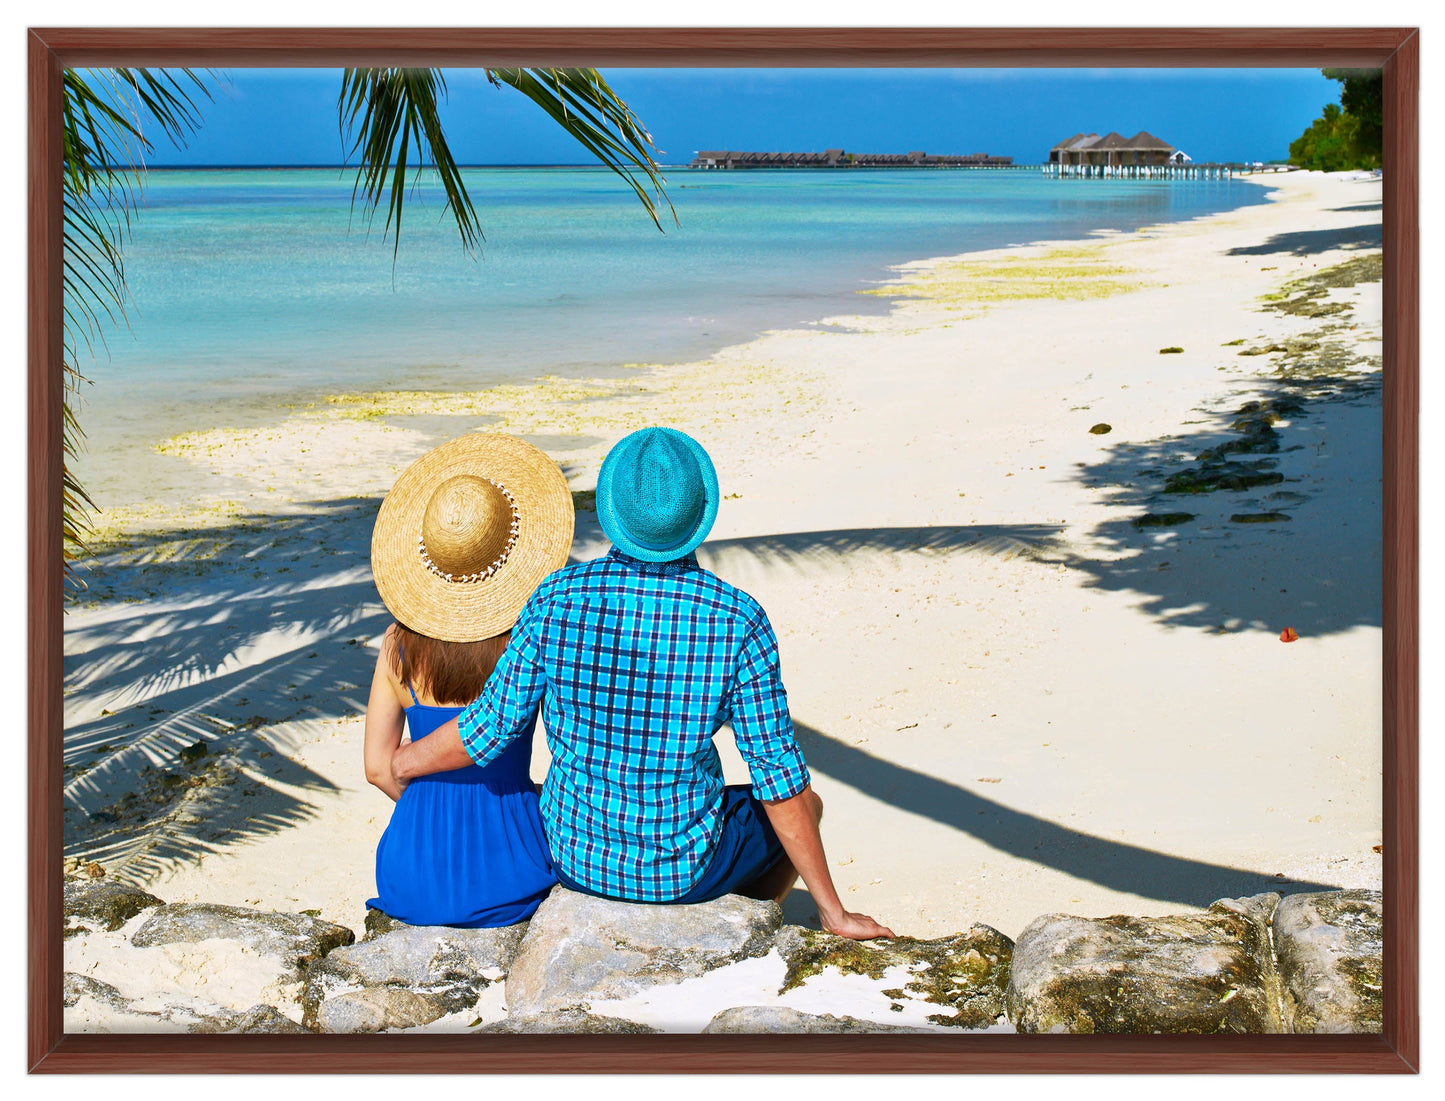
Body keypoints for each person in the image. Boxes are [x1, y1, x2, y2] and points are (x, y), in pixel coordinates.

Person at [391, 426, 893, 940]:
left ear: (613, 513)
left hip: (574, 855)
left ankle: (740, 924)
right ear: (699, 516)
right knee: (809, 805)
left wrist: (404, 760)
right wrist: (834, 911)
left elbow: (489, 726)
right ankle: (748, 924)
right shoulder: (738, 619)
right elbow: (777, 778)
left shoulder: (555, 598)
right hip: (681, 871)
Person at [362, 432, 575, 927]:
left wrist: (434, 804)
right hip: (510, 867)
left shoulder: (397, 644)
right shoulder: (526, 638)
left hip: (411, 873)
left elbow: (378, 769)